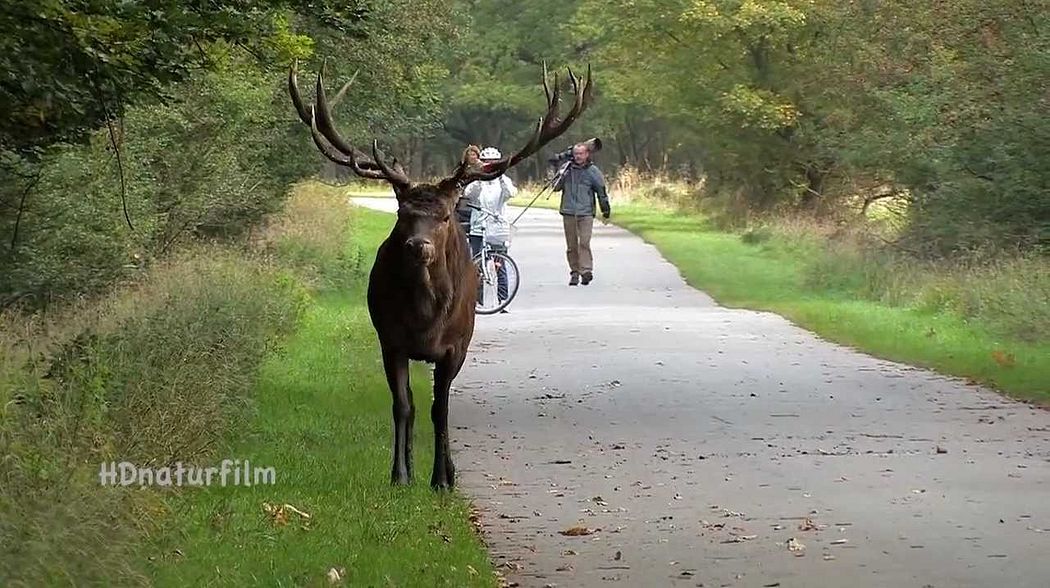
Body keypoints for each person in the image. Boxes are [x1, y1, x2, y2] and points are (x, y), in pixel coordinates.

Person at [547, 140, 610, 286]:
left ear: (587, 154)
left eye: (581, 153)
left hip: (586, 213)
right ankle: (574, 272)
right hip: (568, 212)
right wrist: (557, 169)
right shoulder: (566, 169)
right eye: (576, 154)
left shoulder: (593, 171)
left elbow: (601, 191)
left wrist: (605, 210)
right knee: (572, 245)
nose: (578, 156)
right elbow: (555, 187)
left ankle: (586, 271)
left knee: (584, 243)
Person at [464, 147, 517, 309]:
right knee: (477, 265)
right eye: (487, 162)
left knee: (499, 264)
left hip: (498, 228)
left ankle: (503, 299)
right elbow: (469, 194)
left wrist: (500, 177)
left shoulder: (504, 181)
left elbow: (511, 193)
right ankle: (477, 300)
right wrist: (480, 178)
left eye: (493, 163)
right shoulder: (476, 181)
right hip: (478, 228)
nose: (490, 165)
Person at [455, 145, 482, 239]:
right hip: (463, 191)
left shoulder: (481, 167)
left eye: (474, 154)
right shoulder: (463, 166)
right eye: (469, 155)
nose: (471, 157)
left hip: (477, 192)